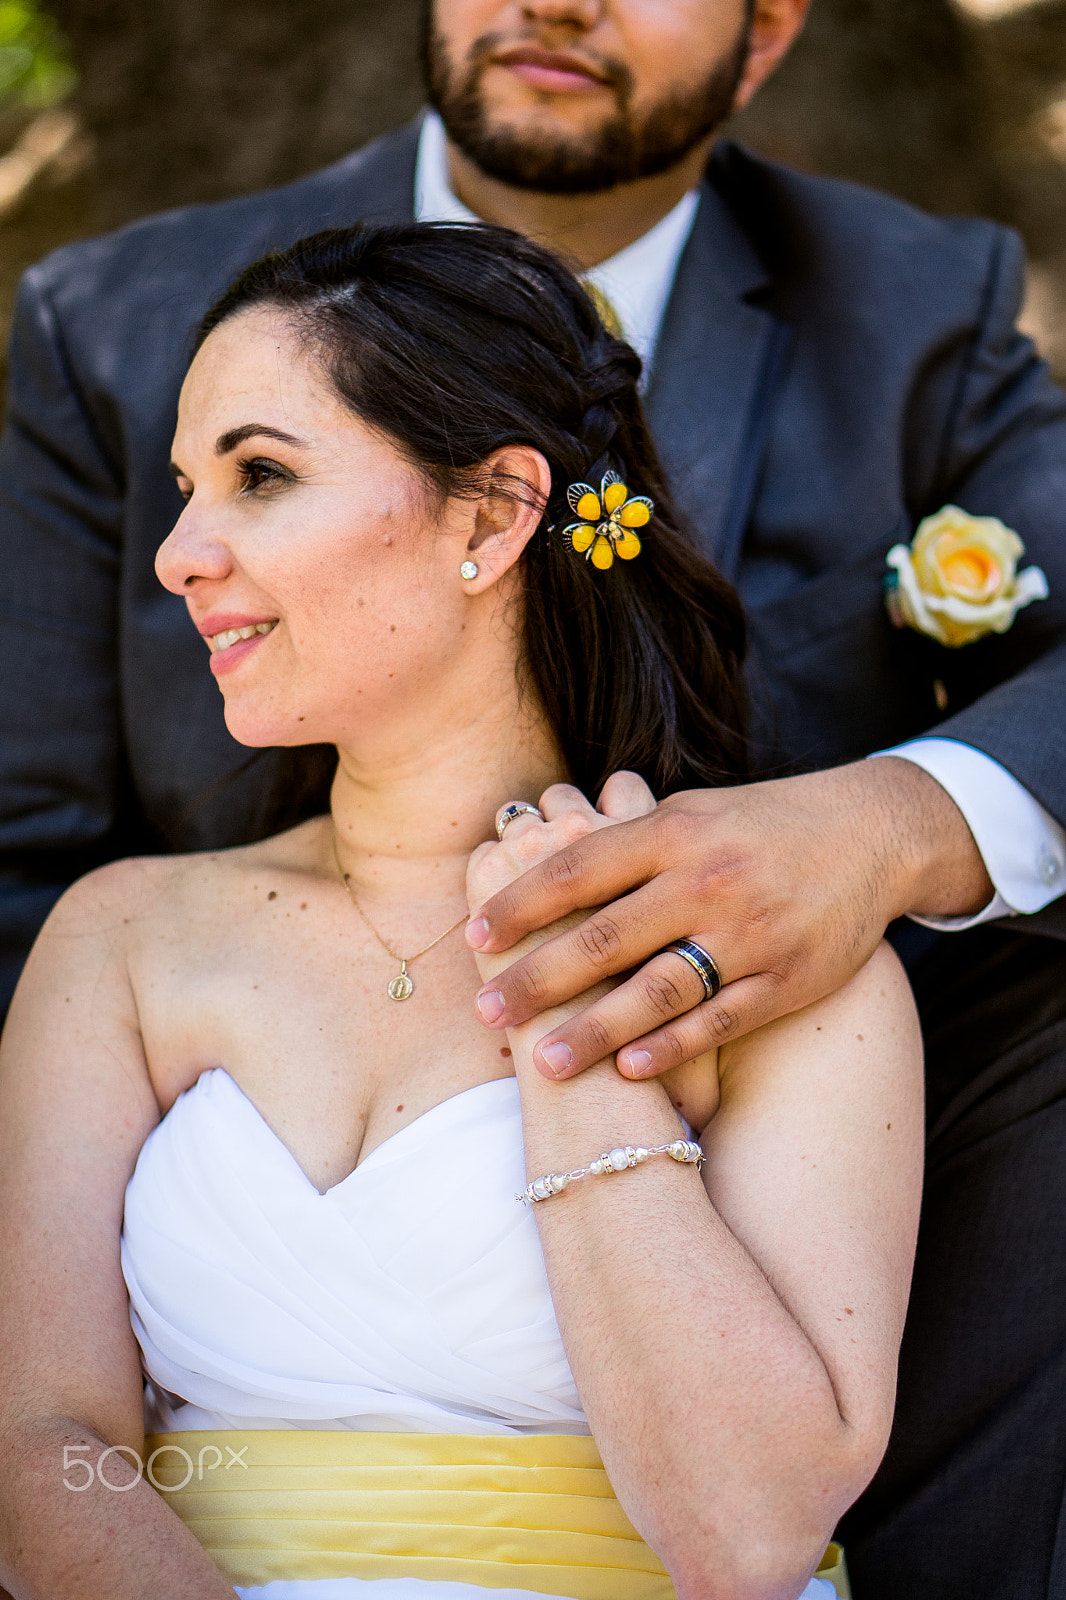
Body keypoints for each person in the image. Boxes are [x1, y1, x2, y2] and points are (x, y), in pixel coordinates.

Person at [0, 2, 1063, 1593]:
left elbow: (751, 1534)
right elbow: (47, 1445)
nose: (179, 559)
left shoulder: (790, 978)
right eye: (189, 486)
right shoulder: (127, 941)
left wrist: (594, 1048)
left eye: (263, 478)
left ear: (496, 515)